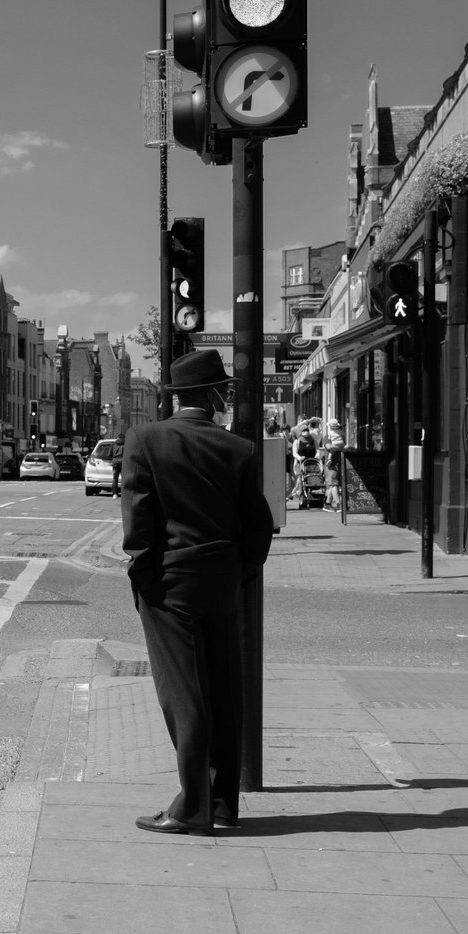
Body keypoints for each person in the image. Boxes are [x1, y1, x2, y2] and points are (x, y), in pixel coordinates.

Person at [120, 349, 274, 836]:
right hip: (222, 582)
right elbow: (259, 525)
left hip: (170, 584)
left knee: (184, 695)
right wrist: (242, 570)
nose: (227, 395)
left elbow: (138, 524)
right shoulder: (240, 449)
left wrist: (144, 579)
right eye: (223, 390)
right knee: (224, 690)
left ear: (176, 396)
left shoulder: (145, 439)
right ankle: (223, 805)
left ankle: (191, 808)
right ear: (210, 395)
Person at [322, 418, 346, 510]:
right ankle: (338, 504)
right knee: (334, 484)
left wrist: (337, 447)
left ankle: (327, 503)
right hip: (331, 464)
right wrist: (340, 447)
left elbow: (335, 447)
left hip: (336, 462)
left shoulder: (333, 434)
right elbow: (329, 446)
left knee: (333, 484)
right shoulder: (327, 436)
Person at [111, 432, 125, 497]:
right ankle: (124, 493)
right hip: (123, 462)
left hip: (115, 462)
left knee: (115, 478)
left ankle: (114, 493)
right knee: (124, 478)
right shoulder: (125, 444)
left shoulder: (114, 444)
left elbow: (109, 454)